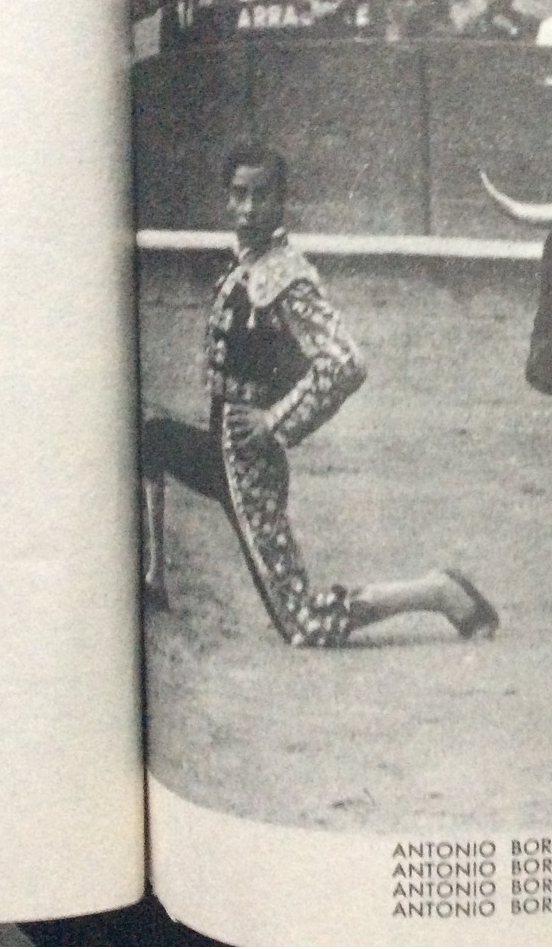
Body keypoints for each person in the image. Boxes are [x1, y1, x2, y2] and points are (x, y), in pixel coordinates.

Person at [140, 143, 497, 647]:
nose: (248, 208)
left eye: (261, 196)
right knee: (148, 437)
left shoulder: (287, 278)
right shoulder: (249, 265)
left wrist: (275, 421)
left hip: (248, 467)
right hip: (221, 452)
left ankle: (439, 592)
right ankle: (154, 578)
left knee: (304, 623)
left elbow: (346, 362)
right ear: (225, 199)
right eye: (238, 195)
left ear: (281, 201)